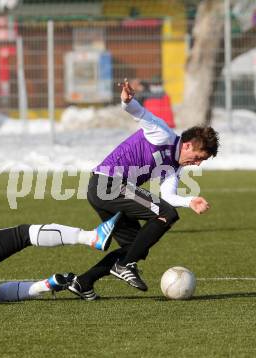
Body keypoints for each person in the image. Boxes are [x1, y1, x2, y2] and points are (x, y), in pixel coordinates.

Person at [66, 79, 219, 300]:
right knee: (166, 215)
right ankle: (125, 265)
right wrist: (128, 101)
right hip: (107, 184)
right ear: (187, 145)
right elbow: (140, 114)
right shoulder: (163, 134)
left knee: (136, 245)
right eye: (197, 158)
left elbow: (167, 196)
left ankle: (83, 282)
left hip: (108, 190)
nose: (197, 164)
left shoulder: (174, 167)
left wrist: (190, 200)